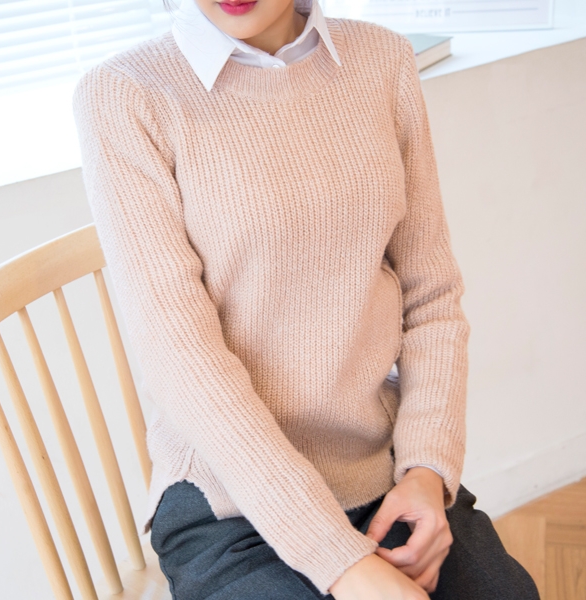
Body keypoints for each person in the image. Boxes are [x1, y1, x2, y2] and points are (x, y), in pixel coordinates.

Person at [72, 0, 540, 598]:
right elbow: (181, 361)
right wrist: (340, 561)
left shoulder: (383, 60)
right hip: (231, 502)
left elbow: (432, 296)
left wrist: (427, 469)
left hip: (382, 469)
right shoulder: (123, 94)